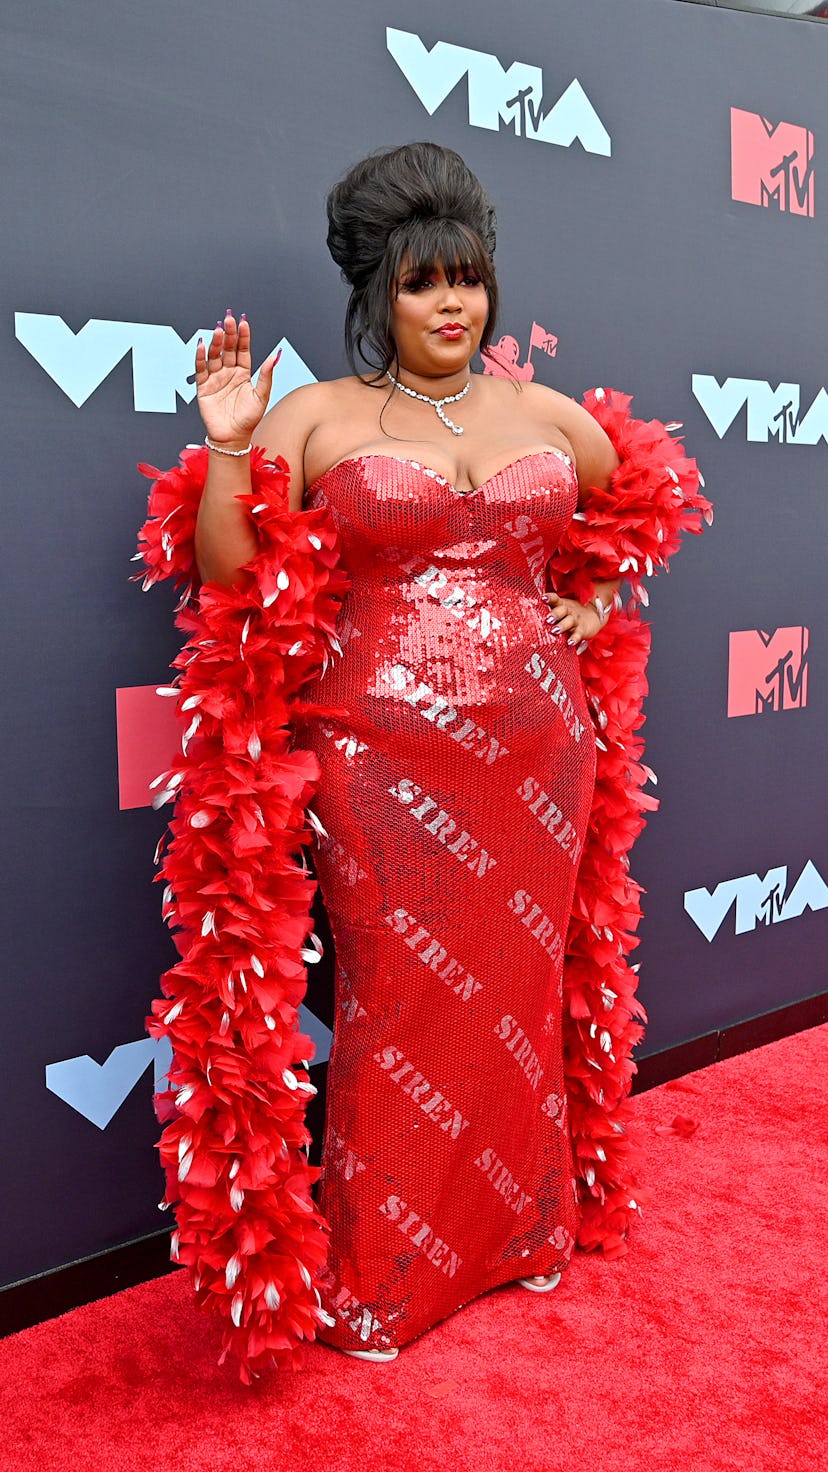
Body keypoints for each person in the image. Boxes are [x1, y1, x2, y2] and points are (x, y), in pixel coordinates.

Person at [137, 141, 709, 1379]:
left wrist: (601, 593)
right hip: (377, 759)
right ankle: (389, 1269)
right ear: (378, 294)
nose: (451, 304)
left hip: (537, 758)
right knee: (397, 1004)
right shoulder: (317, 414)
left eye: (469, 280)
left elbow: (638, 502)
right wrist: (229, 442)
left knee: (514, 989)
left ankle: (522, 1222)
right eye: (421, 283)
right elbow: (235, 575)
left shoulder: (546, 415)